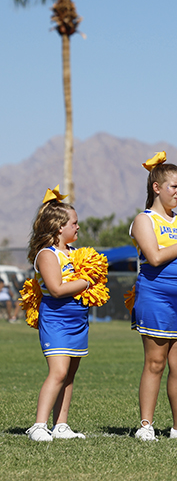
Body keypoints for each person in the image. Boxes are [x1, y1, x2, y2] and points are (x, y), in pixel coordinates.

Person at [130, 152, 177, 441]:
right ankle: (146, 425)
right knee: (155, 363)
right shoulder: (144, 220)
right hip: (155, 297)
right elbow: (153, 257)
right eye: (174, 186)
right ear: (156, 187)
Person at [25, 187, 91, 441]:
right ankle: (39, 425)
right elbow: (56, 288)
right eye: (73, 223)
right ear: (58, 227)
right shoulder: (46, 254)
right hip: (56, 320)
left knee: (70, 374)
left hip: (77, 319)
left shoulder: (75, 254)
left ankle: (60, 424)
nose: (77, 227)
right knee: (58, 372)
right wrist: (87, 282)